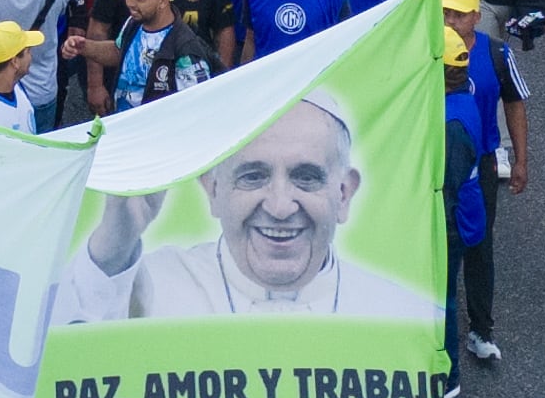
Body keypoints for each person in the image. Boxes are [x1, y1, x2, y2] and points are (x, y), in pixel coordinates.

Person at [59, 92, 429, 318]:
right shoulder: (155, 285)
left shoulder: (398, 312)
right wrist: (111, 249)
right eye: (253, 176)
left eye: (306, 177)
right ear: (213, 188)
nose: (281, 206)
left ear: (344, 194)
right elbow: (55, 368)